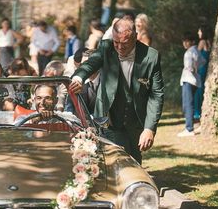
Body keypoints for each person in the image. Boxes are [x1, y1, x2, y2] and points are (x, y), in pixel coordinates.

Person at [70, 16, 164, 164]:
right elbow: (91, 63)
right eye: (116, 42)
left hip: (136, 119)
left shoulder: (151, 56)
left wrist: (149, 128)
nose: (119, 48)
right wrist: (78, 78)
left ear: (135, 37)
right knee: (110, 160)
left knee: (134, 161)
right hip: (108, 117)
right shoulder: (106, 47)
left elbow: (156, 94)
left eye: (124, 44)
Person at [178, 33, 205, 137]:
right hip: (195, 81)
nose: (185, 43)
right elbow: (203, 61)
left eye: (187, 41)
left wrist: (192, 69)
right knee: (190, 103)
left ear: (192, 42)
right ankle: (191, 124)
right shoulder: (196, 51)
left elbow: (189, 67)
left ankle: (189, 128)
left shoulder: (189, 52)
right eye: (184, 41)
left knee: (187, 104)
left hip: (188, 79)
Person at [194, 26, 212, 119]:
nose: (198, 33)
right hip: (206, 67)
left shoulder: (202, 42)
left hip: (200, 68)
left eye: (199, 31)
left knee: (198, 89)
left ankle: (197, 112)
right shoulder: (210, 42)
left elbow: (195, 54)